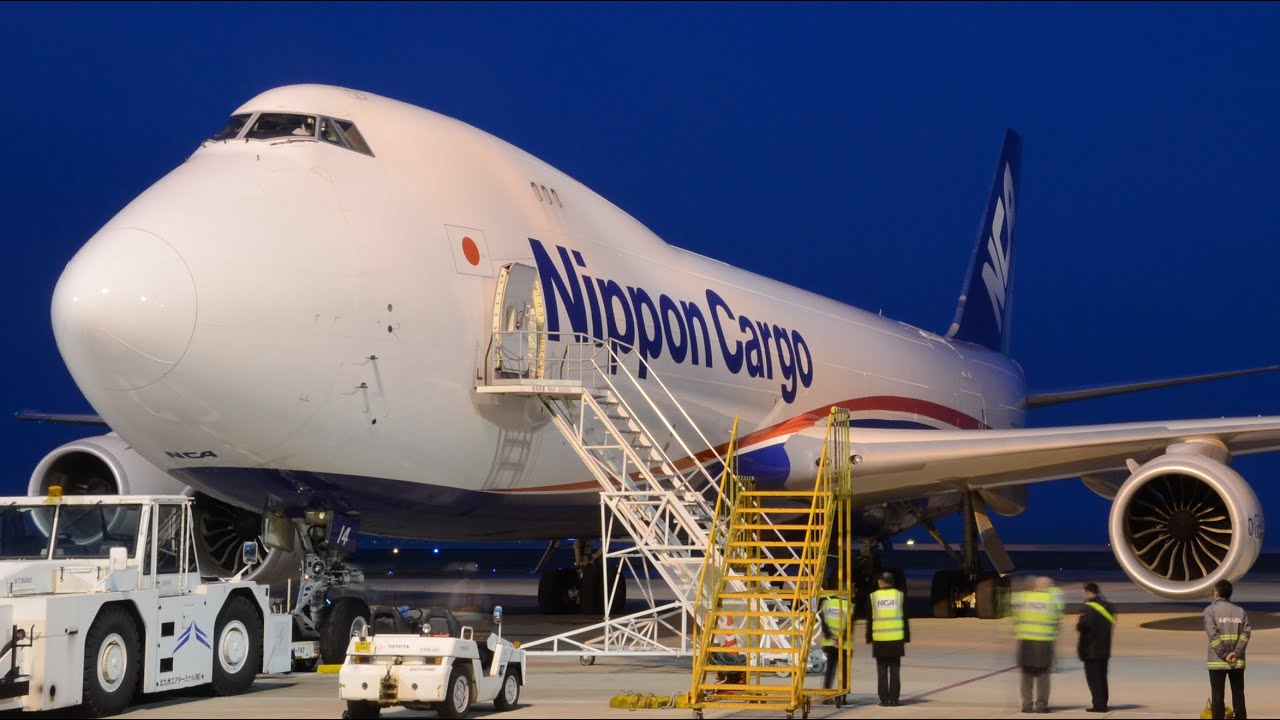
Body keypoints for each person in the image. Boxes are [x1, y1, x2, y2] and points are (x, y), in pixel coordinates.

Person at [1012, 576, 1064, 713]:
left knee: (1026, 675)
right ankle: (1042, 705)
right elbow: (1057, 620)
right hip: (1044, 642)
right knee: (1043, 676)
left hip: (1026, 642)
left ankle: (1027, 705)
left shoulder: (1024, 598)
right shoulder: (1051, 600)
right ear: (1047, 588)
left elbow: (1016, 616)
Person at [1204, 579, 1250, 720]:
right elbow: (1246, 634)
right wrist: (1236, 653)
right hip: (1237, 661)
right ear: (1230, 594)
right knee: (1238, 694)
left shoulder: (1210, 611)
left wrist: (1224, 655)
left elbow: (1213, 635)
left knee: (1217, 696)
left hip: (1217, 661)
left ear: (1216, 593)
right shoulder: (1240, 611)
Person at [865, 571, 909, 706]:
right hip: (896, 638)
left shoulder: (874, 596)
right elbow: (905, 617)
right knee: (895, 671)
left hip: (880, 639)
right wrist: (906, 636)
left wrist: (869, 636)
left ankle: (884, 700)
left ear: (882, 582)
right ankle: (894, 699)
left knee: (882, 671)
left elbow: (870, 619)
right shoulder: (899, 596)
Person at [1076, 582, 1116, 713]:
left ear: (1088, 592)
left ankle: (1099, 705)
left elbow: (1082, 627)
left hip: (1091, 650)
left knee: (1094, 679)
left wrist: (1080, 621)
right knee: (1102, 678)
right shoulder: (1109, 607)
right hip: (1104, 648)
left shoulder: (1088, 608)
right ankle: (1103, 702)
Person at [817, 587, 853, 704]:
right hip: (844, 644)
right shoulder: (850, 606)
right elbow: (849, 626)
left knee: (830, 670)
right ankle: (842, 697)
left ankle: (826, 695)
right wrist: (841, 640)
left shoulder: (826, 603)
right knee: (844, 671)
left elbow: (823, 623)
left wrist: (831, 637)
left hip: (830, 643)